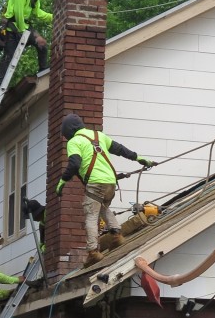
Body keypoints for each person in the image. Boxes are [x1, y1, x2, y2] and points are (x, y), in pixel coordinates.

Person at [55, 113, 155, 267]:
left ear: (68, 131)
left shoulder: (74, 142)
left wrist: (62, 182)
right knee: (102, 207)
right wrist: (140, 158)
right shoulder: (98, 136)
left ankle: (93, 252)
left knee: (91, 215)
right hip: (110, 182)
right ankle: (117, 235)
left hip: (96, 183)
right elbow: (120, 149)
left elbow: (74, 164)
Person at [0, 0, 52, 87]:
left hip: (24, 26)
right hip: (12, 27)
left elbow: (37, 12)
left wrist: (53, 16)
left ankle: (42, 70)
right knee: (9, 56)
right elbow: (18, 12)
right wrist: (21, 30)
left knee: (41, 44)